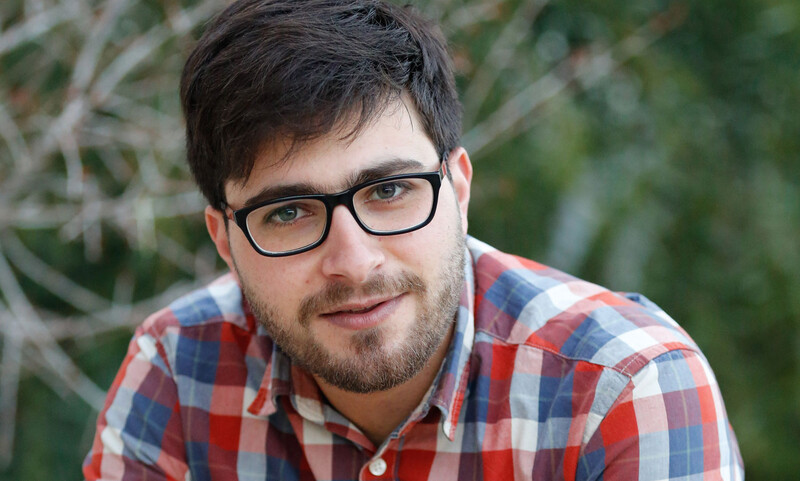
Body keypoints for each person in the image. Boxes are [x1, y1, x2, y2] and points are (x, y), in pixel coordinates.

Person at [83, 0, 743, 479]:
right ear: (223, 238)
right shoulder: (176, 371)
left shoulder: (624, 389)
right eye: (289, 212)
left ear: (457, 187)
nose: (352, 261)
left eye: (389, 191)